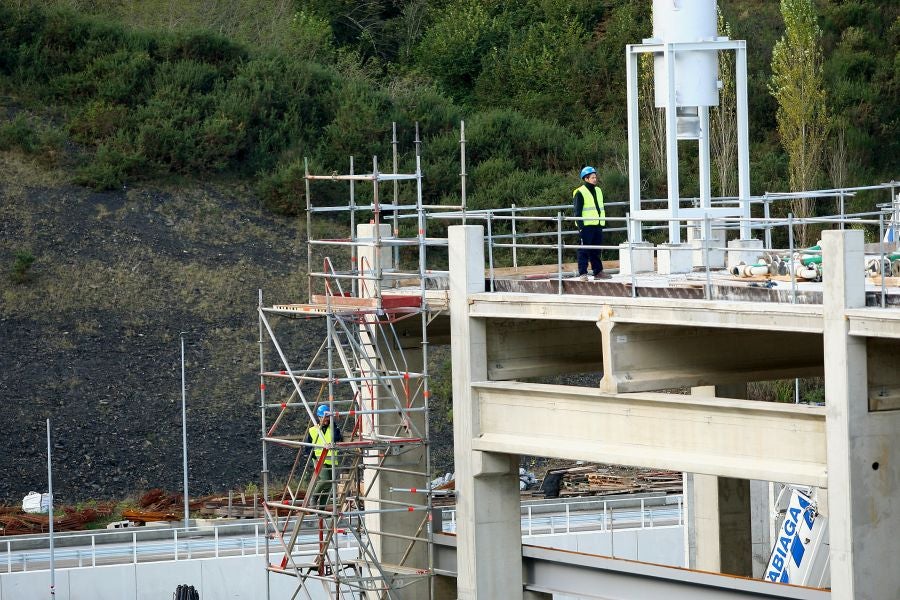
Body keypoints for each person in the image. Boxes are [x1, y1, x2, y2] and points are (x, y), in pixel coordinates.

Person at [573, 166, 610, 280]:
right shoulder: (580, 192)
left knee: (596, 250)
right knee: (584, 250)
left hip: (598, 225)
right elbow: (577, 211)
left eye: (595, 177)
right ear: (586, 179)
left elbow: (600, 207)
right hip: (586, 226)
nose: (595, 179)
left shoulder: (598, 190)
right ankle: (583, 273)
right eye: (592, 177)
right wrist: (581, 227)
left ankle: (598, 272)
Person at [303, 404, 342, 508]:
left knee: (330, 484)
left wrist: (333, 425)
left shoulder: (333, 428)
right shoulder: (313, 430)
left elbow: (338, 438)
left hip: (332, 459)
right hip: (320, 459)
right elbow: (308, 447)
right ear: (319, 417)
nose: (326, 419)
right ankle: (314, 497)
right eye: (324, 417)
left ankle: (322, 507)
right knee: (325, 479)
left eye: (328, 417)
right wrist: (313, 459)